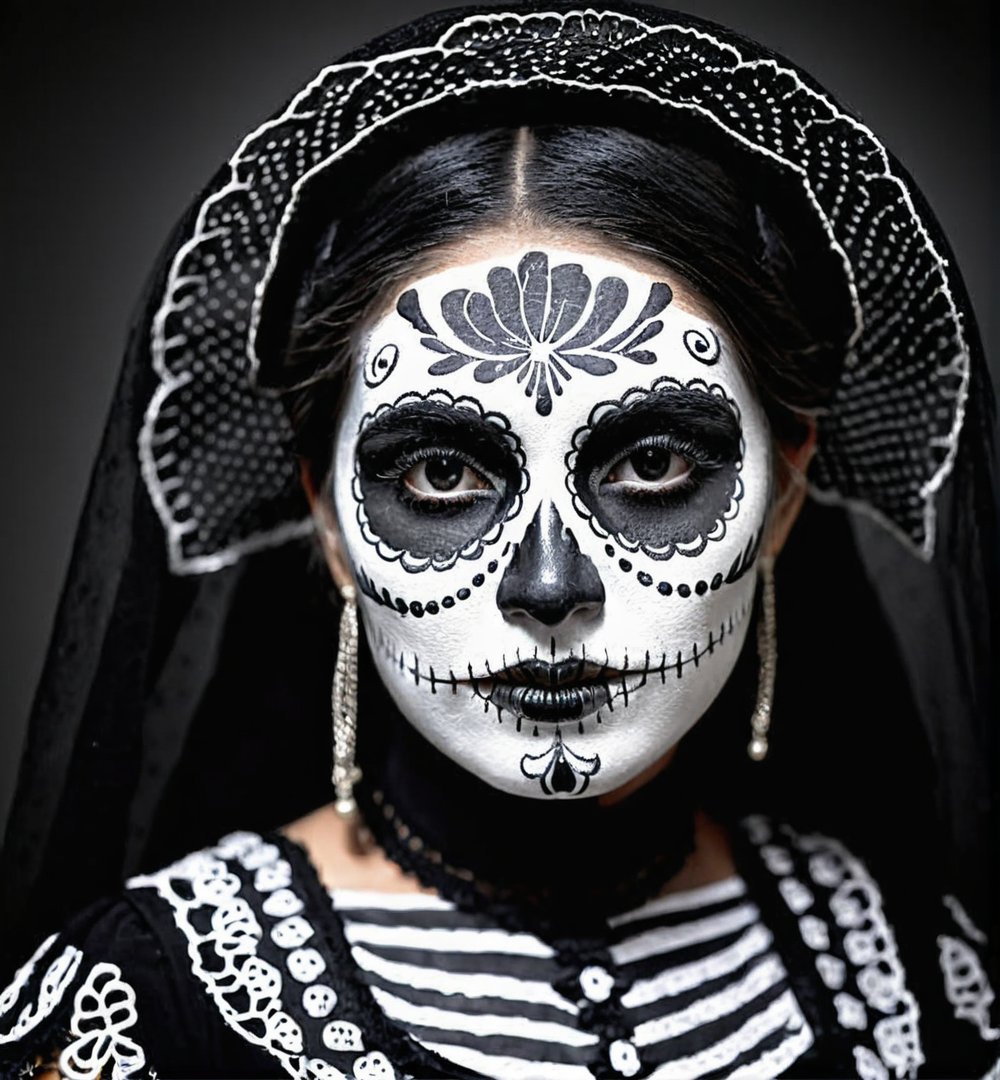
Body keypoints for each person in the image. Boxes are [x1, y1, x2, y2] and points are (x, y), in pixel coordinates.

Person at [0, 3, 996, 1078]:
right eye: (439, 473)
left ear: (785, 493)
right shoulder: (144, 1012)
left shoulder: (926, 983)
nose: (547, 585)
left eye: (652, 463)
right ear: (329, 520)